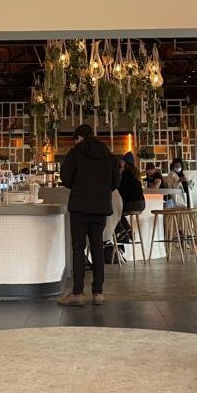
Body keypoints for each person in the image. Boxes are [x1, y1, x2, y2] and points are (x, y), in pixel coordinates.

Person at [58, 123, 121, 306]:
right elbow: (115, 182)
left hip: (79, 206)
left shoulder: (75, 153)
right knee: (97, 248)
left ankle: (77, 293)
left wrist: (79, 186)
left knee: (78, 249)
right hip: (100, 208)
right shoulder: (109, 156)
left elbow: (66, 178)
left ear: (79, 137)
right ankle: (98, 293)